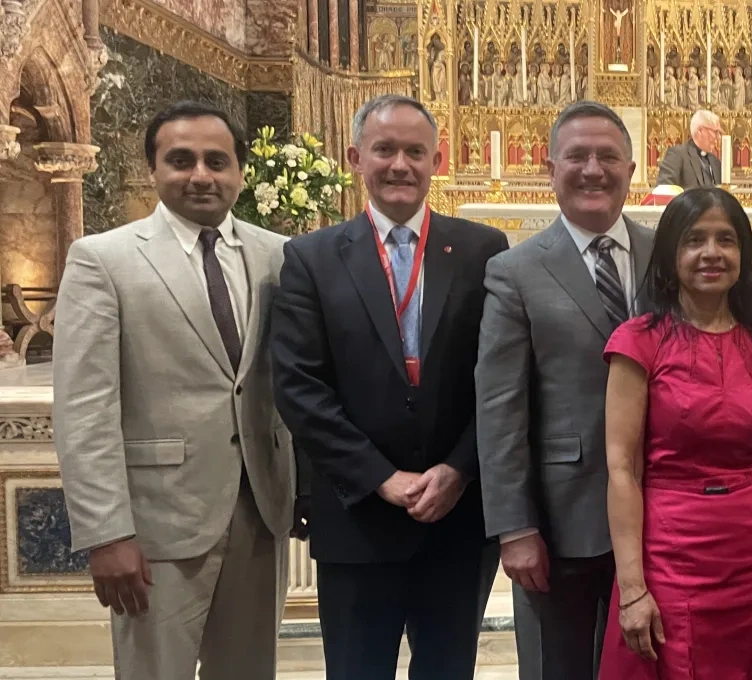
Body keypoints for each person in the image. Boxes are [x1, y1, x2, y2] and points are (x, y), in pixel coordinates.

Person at [52, 101, 298, 679]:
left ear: (241, 172)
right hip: (156, 522)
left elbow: (290, 383)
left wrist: (303, 490)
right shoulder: (104, 260)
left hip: (259, 511)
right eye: (181, 160)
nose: (201, 175)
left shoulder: (278, 256)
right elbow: (84, 410)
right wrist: (107, 534)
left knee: (248, 672)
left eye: (217, 161)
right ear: (153, 170)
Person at [270, 94, 508, 679]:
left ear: (437, 160)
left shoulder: (482, 250)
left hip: (457, 517)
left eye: (414, 152)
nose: (400, 164)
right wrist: (380, 477)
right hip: (358, 518)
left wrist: (460, 469)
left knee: (448, 670)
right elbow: (300, 386)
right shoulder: (310, 258)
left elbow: (500, 377)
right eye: (384, 150)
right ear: (356, 158)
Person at [598, 188, 752, 678]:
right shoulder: (639, 342)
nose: (711, 253)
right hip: (672, 559)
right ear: (671, 255)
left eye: (726, 240)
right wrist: (632, 588)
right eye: (694, 240)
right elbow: (623, 469)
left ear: (743, 254)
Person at [476, 100, 656, 680]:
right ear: (550, 169)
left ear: (632, 170)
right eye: (577, 156)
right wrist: (515, 527)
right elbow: (499, 406)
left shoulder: (669, 253)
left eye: (608, 157)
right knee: (560, 667)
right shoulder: (516, 270)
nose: (593, 170)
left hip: (664, 509)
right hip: (561, 518)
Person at [655, 109, 723, 189]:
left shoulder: (715, 162)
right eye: (715, 132)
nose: (718, 137)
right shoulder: (677, 155)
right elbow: (664, 188)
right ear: (700, 131)